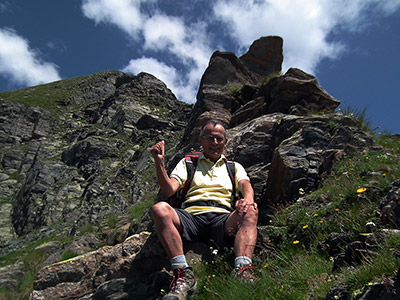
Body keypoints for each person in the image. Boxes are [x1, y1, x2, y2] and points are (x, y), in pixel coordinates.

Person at [150, 120, 258, 300]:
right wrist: (159, 163)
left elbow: (245, 184)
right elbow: (169, 190)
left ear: (225, 142)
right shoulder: (188, 163)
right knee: (159, 209)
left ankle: (243, 270)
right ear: (200, 141)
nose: (215, 143)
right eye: (210, 138)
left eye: (219, 139)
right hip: (190, 218)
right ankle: (182, 274)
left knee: (251, 210)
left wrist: (247, 199)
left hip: (222, 220)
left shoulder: (234, 167)